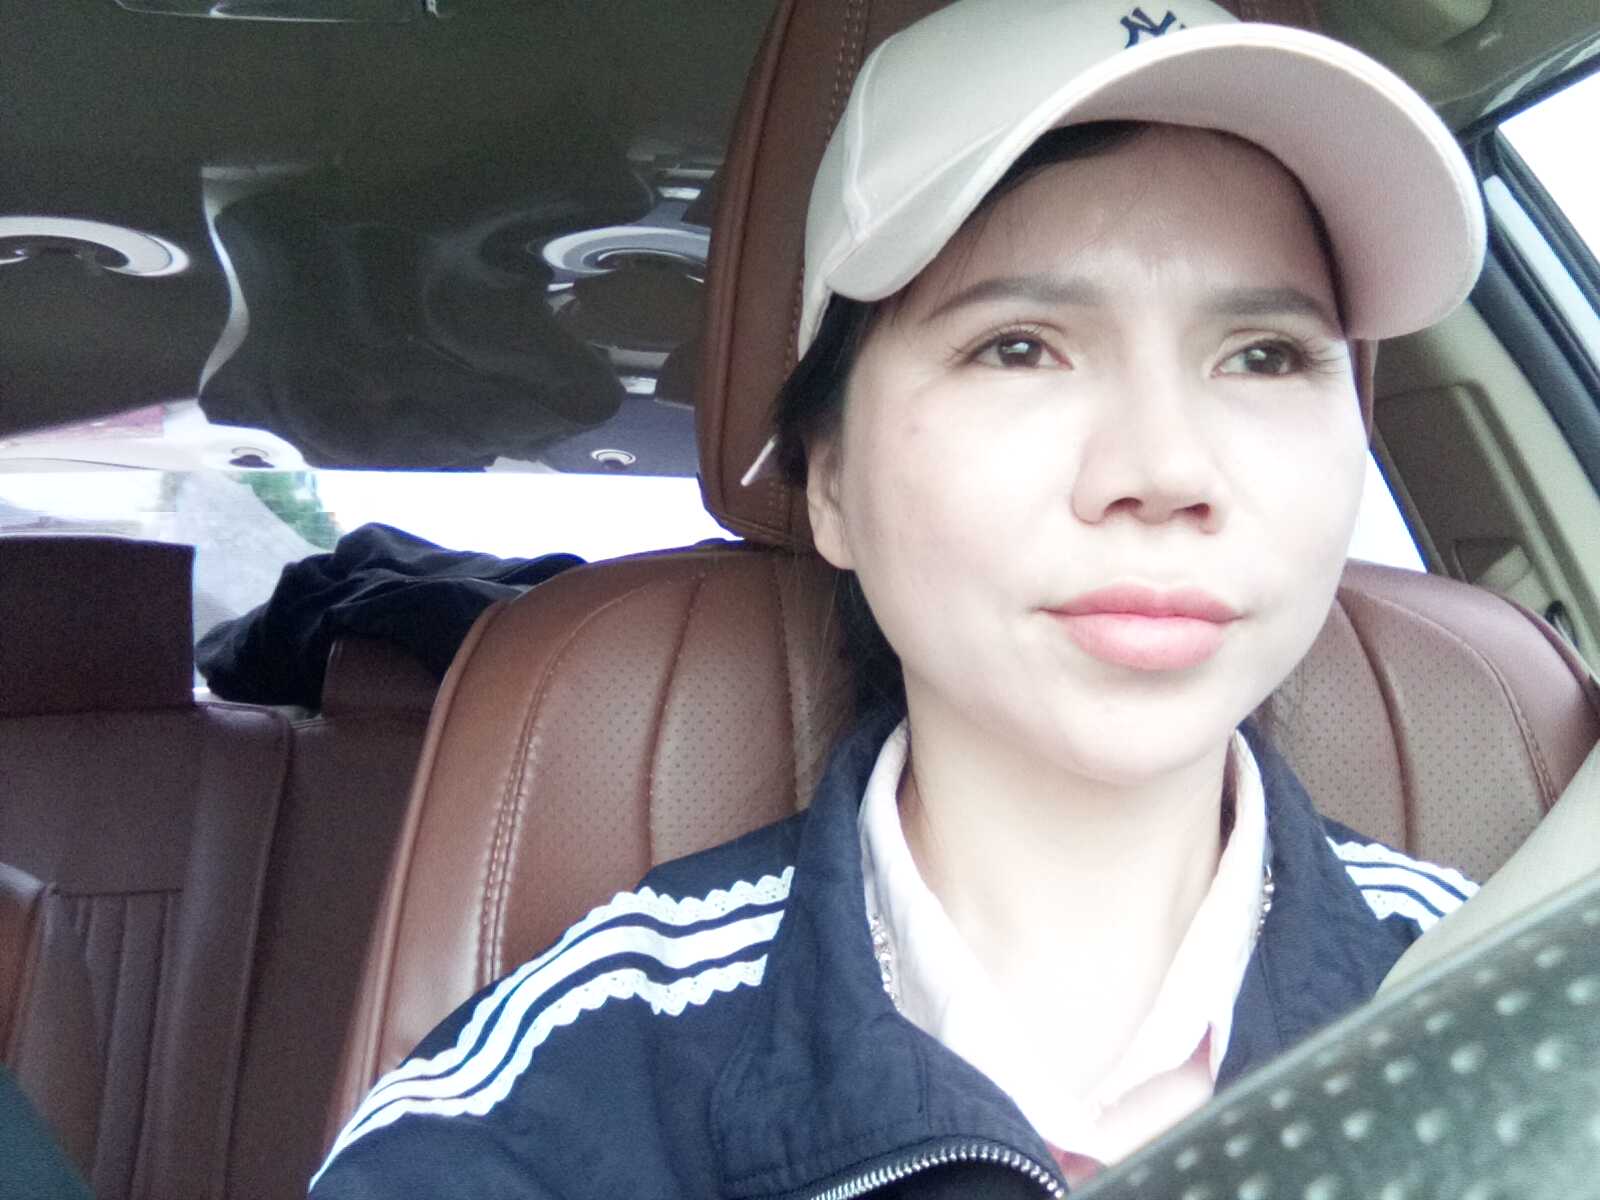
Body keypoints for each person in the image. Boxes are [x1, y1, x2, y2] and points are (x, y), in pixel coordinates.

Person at [309, 0, 1486, 1195]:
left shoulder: (1519, 993)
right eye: (1018, 346)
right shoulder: (551, 1107)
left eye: (1265, 356)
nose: (1166, 469)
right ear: (828, 481)